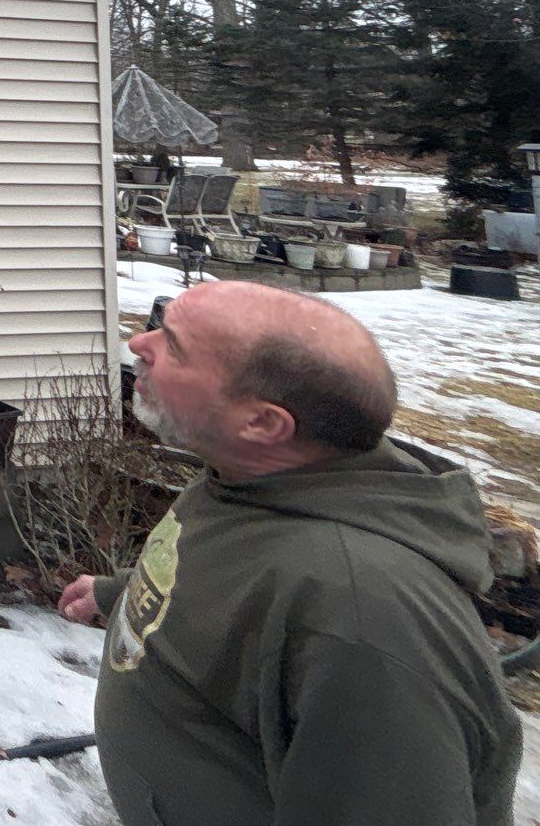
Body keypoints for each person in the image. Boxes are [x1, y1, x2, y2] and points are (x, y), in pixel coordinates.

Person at [58, 278, 521, 826]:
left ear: (262, 423)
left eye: (174, 345)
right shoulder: (251, 480)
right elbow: (211, 564)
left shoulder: (364, 621)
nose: (140, 344)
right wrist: (115, 592)